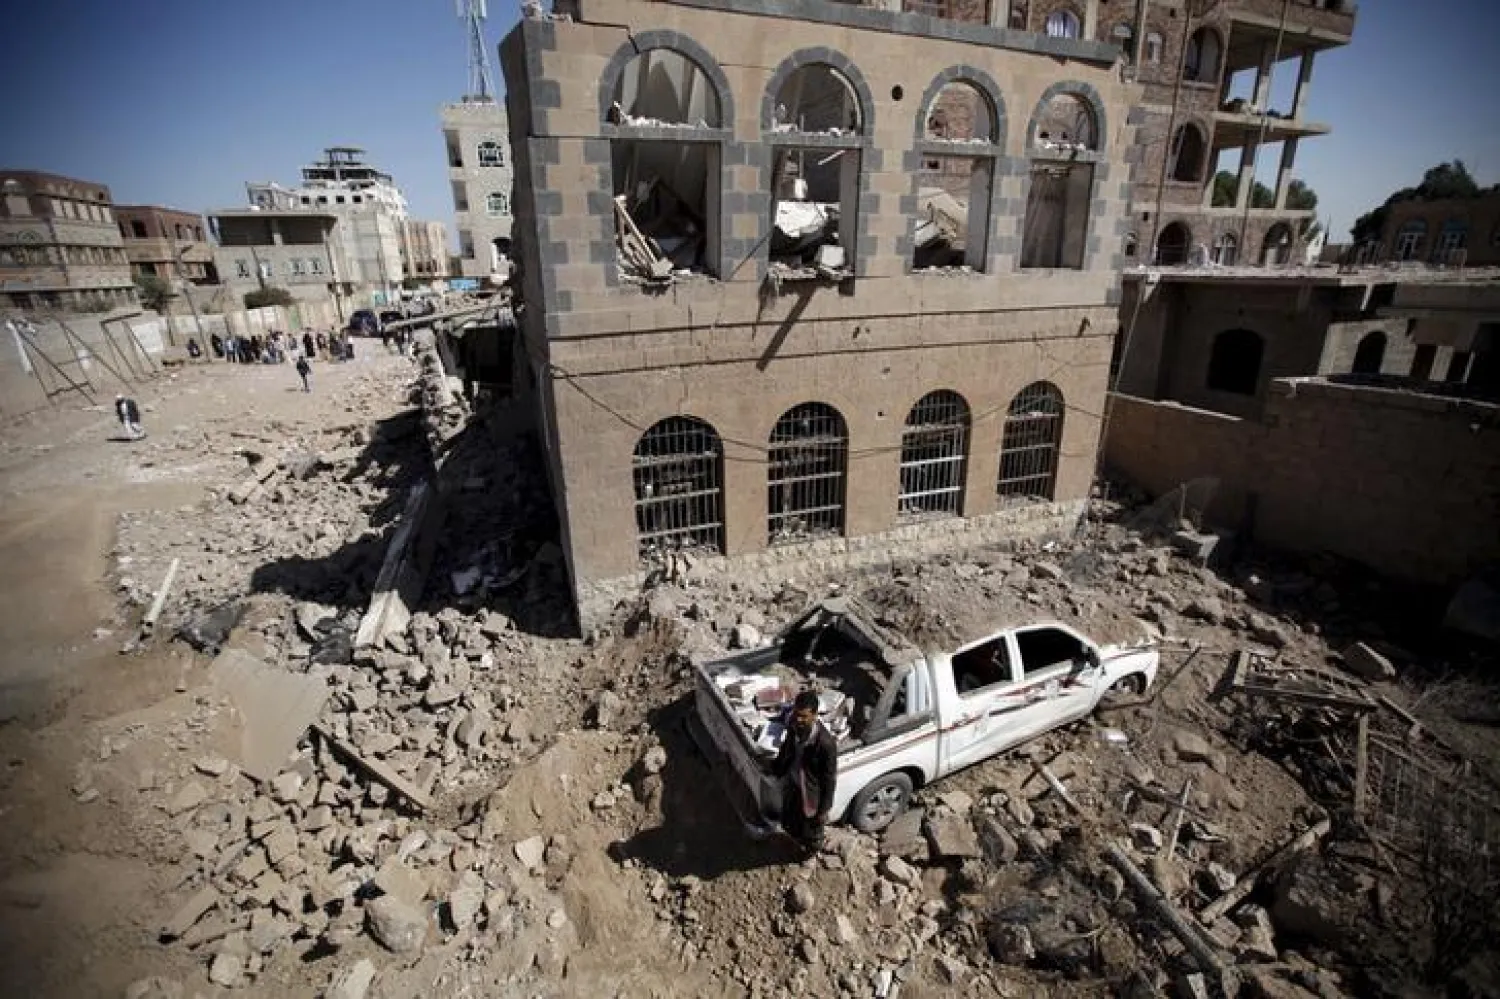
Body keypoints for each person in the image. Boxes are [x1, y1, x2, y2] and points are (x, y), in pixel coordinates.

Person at [754, 690, 838, 854]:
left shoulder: (826, 745)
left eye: (804, 716)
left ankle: (810, 854)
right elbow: (786, 749)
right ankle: (796, 841)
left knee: (812, 828)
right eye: (796, 714)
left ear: (814, 715)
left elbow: (829, 779)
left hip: (811, 793)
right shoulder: (794, 725)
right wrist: (775, 769)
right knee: (791, 819)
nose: (798, 720)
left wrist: (824, 810)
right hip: (793, 784)